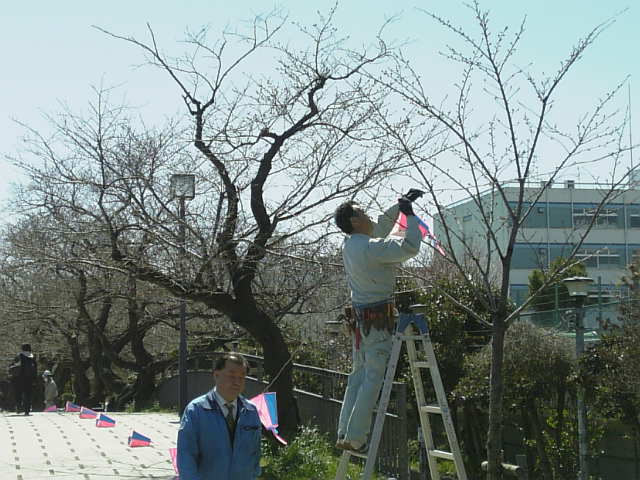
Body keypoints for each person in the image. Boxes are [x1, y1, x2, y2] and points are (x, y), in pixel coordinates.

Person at [333, 190, 424, 452]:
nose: (368, 214)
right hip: (377, 321)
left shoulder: (352, 245)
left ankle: (344, 433)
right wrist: (410, 217)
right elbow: (409, 247)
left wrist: (399, 206)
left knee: (358, 376)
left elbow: (379, 229)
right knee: (373, 377)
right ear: (354, 221)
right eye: (362, 212)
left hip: (361, 322)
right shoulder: (371, 248)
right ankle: (357, 437)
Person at [177, 352, 261, 480]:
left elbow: (255, 453)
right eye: (231, 376)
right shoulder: (197, 410)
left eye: (241, 377)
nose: (237, 382)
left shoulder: (250, 411)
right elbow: (186, 455)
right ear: (216, 375)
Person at [9, 343, 38, 416]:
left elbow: (12, 366)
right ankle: (27, 410)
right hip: (29, 379)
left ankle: (19, 407)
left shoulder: (19, 356)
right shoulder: (32, 357)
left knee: (18, 393)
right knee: (28, 394)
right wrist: (34, 379)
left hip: (18, 379)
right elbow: (35, 369)